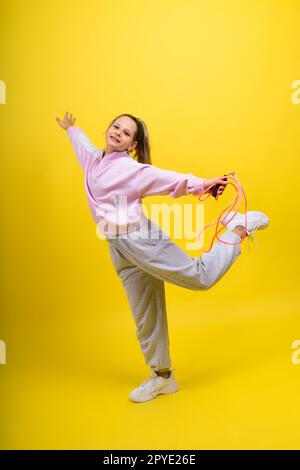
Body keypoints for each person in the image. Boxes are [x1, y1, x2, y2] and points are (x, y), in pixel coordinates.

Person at [56, 112, 269, 403]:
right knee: (145, 314)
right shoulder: (94, 160)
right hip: (118, 247)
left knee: (200, 277)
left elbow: (167, 179)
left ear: (132, 145)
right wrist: (71, 128)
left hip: (140, 239)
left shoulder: (129, 169)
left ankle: (238, 228)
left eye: (126, 133)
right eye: (116, 126)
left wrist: (202, 184)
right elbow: (82, 144)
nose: (118, 132)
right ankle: (163, 377)